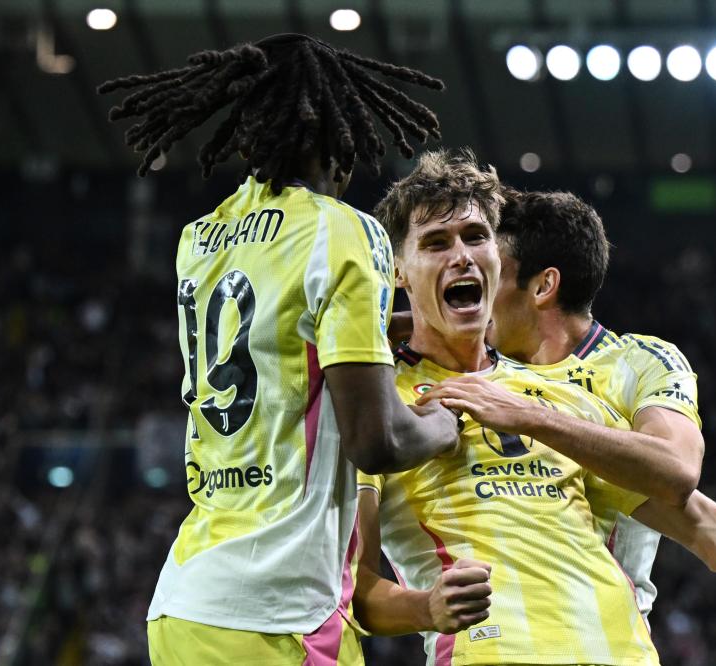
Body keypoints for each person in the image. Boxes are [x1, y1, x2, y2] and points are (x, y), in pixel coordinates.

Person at [99, 33, 461, 665]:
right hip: (280, 612)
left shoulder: (199, 238)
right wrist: (446, 422)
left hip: (185, 604)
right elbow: (377, 440)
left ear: (246, 132)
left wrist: (392, 328)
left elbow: (282, 338)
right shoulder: (341, 229)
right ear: (342, 136)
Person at [421, 188, 716, 624]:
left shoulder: (636, 364)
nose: (478, 286)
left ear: (543, 286)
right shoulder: (471, 367)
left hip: (607, 643)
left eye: (495, 273)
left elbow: (688, 490)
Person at [358, 149, 660, 665]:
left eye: (476, 237)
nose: (462, 256)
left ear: (497, 258)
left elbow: (700, 521)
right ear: (398, 272)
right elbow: (355, 588)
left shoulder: (561, 393)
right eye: (436, 243)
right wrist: (426, 607)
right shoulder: (376, 403)